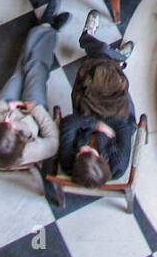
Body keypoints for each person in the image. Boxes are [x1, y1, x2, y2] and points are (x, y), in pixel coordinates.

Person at [0, 1, 67, 168]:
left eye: (4, 125)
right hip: (33, 115)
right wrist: (36, 109)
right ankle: (46, 29)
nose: (9, 121)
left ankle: (45, 29)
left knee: (20, 71)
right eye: (14, 129)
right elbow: (53, 140)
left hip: (6, 105)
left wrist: (5, 107)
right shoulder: (30, 151)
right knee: (36, 71)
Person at [58, 55, 137, 188]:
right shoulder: (118, 164)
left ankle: (106, 55)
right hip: (118, 120)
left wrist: (95, 124)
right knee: (114, 86)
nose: (82, 148)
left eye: (79, 153)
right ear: (102, 159)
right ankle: (111, 59)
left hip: (87, 120)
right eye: (88, 151)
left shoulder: (68, 163)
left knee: (85, 81)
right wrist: (104, 121)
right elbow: (124, 128)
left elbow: (68, 123)